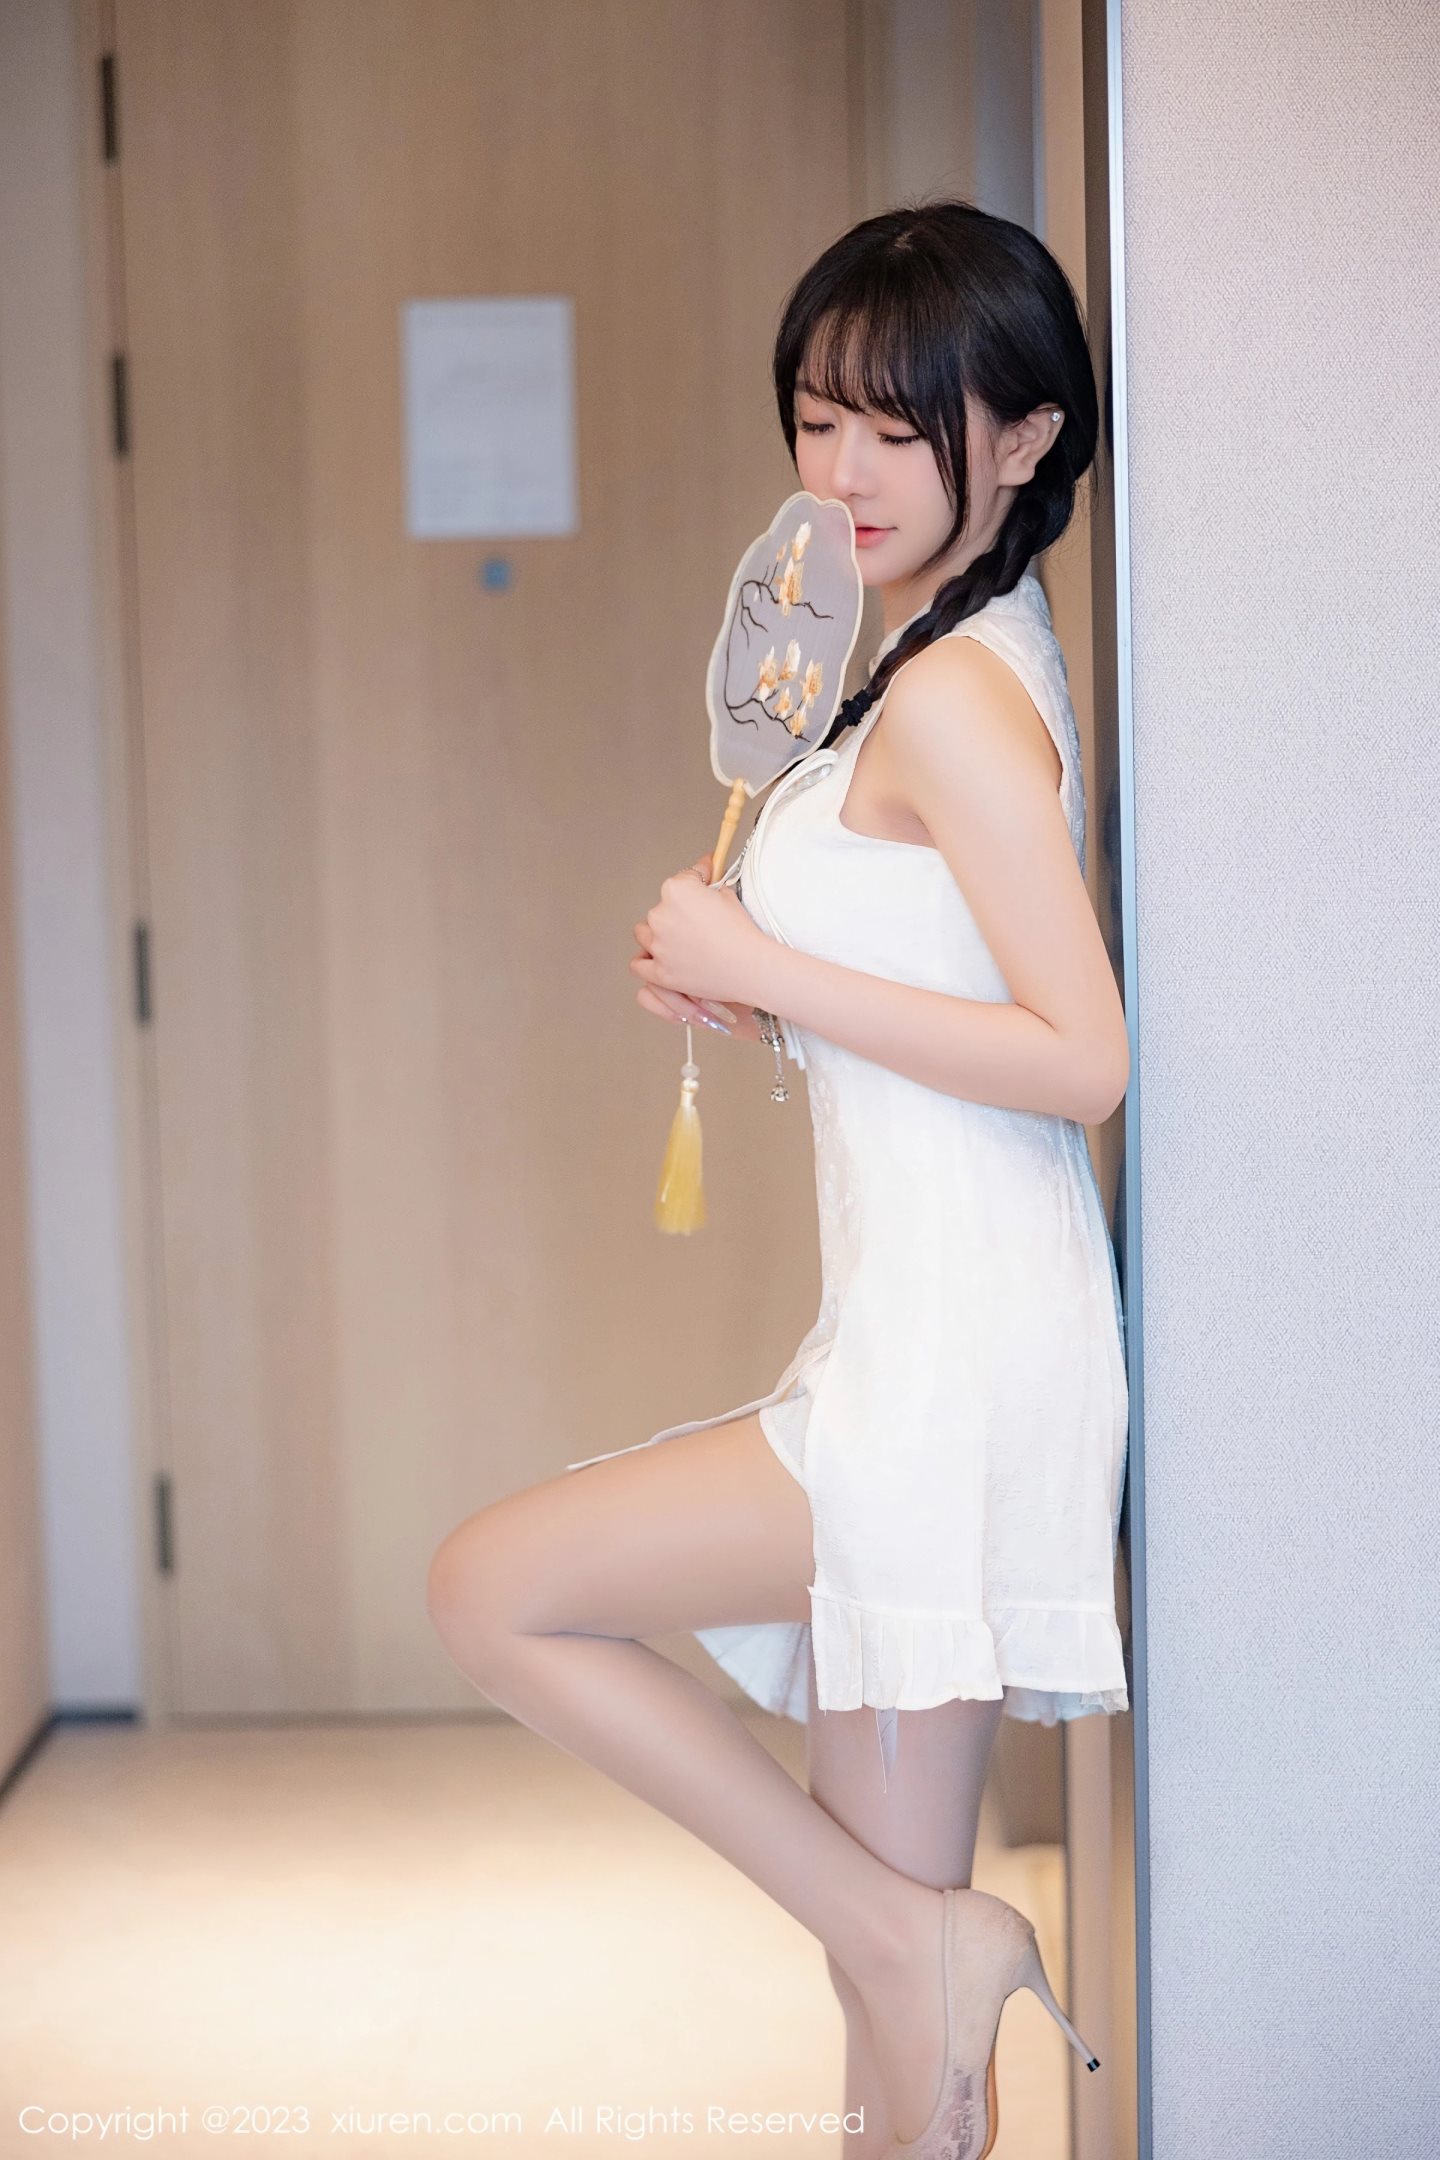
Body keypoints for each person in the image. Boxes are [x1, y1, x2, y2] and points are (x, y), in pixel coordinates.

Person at [427, 199, 1130, 2160]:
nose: (845, 473)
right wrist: (766, 1002)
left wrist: (774, 968)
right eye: (819, 422)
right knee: (892, 2025)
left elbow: (1084, 1056)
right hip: (918, 1336)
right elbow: (954, 997)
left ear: (1026, 440)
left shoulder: (957, 701)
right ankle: (920, 1952)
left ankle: (925, 1944)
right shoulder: (929, 660)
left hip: (956, 1362)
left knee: (496, 1590)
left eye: (900, 429)